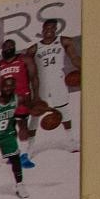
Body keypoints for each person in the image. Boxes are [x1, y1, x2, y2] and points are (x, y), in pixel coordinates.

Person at [28, 16, 81, 151]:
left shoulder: (64, 41)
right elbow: (28, 71)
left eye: (52, 28)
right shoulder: (34, 48)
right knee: (35, 115)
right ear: (42, 29)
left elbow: (74, 59)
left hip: (58, 81)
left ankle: (71, 140)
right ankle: (29, 147)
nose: (49, 30)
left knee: (63, 111)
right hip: (41, 85)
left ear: (56, 29)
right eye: (47, 28)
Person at [0, 39, 37, 168]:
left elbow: (34, 77)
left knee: (22, 125)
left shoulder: (24, 59)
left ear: (14, 47)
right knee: (7, 128)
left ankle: (24, 155)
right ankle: (13, 153)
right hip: (6, 99)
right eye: (5, 47)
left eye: (11, 46)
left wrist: (36, 96)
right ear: (2, 50)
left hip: (22, 97)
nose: (8, 48)